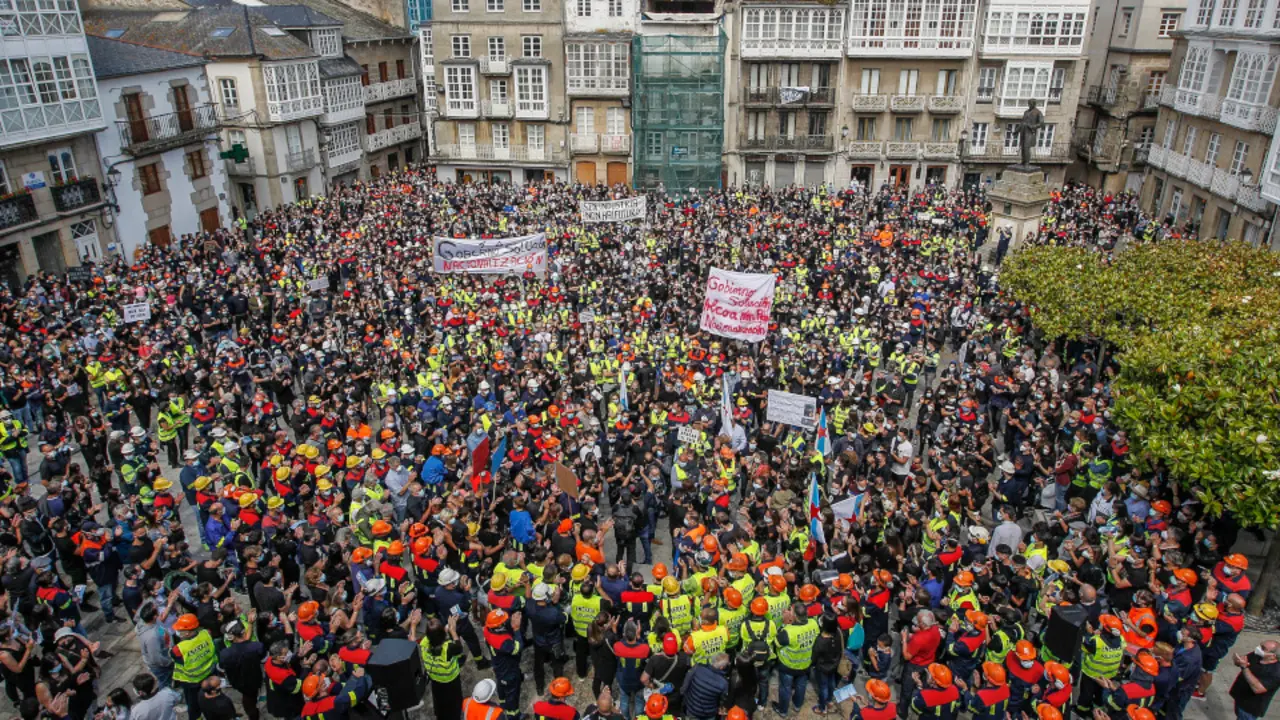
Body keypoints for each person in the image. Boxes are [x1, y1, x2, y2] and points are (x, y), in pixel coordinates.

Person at [1229, 641, 1280, 720]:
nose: (1258, 649)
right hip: (1240, 698)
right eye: (1260, 645)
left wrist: (1244, 668)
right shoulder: (1256, 655)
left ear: (1273, 656)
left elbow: (1258, 688)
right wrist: (1238, 661)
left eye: (1263, 648)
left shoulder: (1276, 673)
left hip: (1250, 708)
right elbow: (1244, 660)